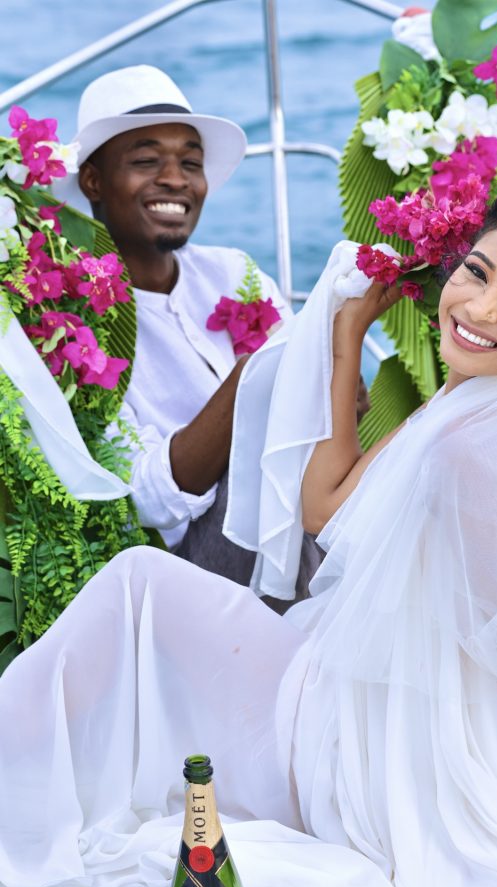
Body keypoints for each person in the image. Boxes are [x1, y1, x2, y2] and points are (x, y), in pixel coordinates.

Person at [2, 189, 497, 887]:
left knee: (137, 584)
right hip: (355, 681)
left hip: (366, 747)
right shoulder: (471, 405)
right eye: (476, 272)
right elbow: (327, 508)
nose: (477, 305)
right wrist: (346, 338)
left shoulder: (476, 450)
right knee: (142, 586)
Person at [59, 64, 322, 605]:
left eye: (190, 163)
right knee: (270, 469)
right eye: (146, 160)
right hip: (178, 572)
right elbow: (149, 503)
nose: (176, 179)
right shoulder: (75, 325)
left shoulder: (231, 271)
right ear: (93, 181)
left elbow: (320, 402)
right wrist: (252, 383)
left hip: (289, 515)